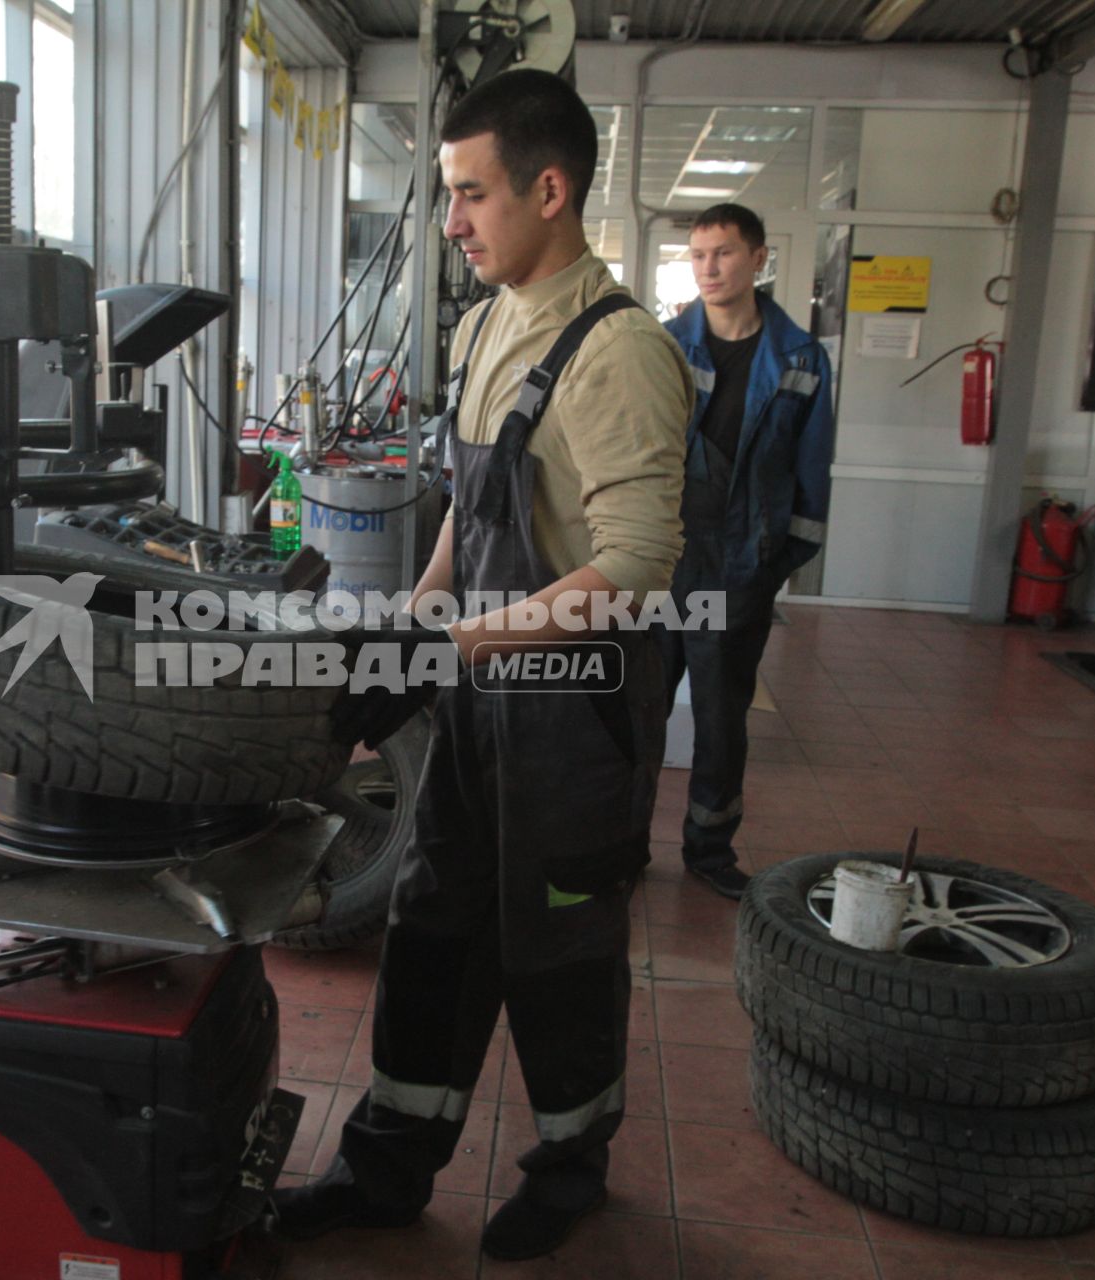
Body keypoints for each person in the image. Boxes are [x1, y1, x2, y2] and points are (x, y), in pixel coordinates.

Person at [270, 69, 692, 1261]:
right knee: (433, 921)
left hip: (578, 719)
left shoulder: (619, 354)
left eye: (470, 194)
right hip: (482, 698)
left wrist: (448, 643)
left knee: (558, 944)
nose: (451, 221)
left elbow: (638, 567)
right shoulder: (484, 322)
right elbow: (470, 496)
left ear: (548, 191)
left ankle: (570, 1165)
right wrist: (417, 620)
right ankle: (388, 1166)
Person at [660, 203, 835, 899]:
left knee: (720, 716)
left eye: (724, 253)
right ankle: (615, 842)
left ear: (759, 259)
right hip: (663, 558)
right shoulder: (665, 345)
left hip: (737, 568)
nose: (709, 268)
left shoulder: (799, 356)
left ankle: (708, 849)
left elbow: (812, 471)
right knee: (633, 706)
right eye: (698, 255)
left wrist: (770, 566)